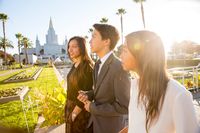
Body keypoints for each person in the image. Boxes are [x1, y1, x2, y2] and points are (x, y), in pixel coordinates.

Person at [120, 30, 200, 133]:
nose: (120, 56)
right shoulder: (135, 86)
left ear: (142, 55)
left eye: (125, 51)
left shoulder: (179, 95)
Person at [77, 23, 130, 133]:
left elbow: (124, 106)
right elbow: (100, 90)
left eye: (94, 36)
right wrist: (88, 94)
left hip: (112, 128)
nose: (90, 41)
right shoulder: (97, 64)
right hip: (96, 124)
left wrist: (93, 108)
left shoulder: (119, 67)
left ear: (106, 41)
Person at [65, 36, 93, 133]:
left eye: (74, 46)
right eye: (69, 47)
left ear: (82, 48)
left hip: (80, 111)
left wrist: (74, 114)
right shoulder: (75, 64)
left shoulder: (87, 67)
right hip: (70, 106)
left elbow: (86, 94)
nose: (70, 50)